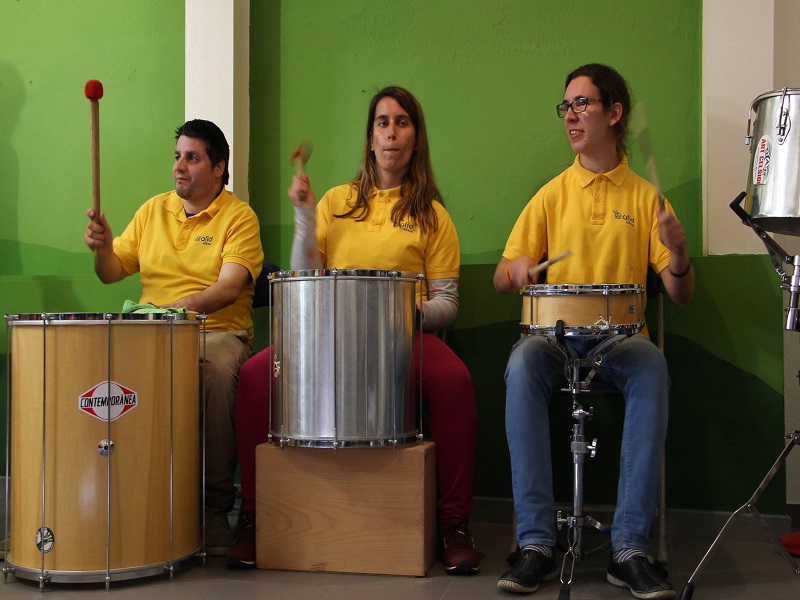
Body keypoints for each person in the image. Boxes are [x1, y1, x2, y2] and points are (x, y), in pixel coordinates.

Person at [227, 86, 480, 574]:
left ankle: (455, 525)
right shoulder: (336, 201)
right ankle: (255, 519)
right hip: (329, 338)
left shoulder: (433, 215)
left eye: (402, 122)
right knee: (257, 377)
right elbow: (305, 277)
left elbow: (447, 304)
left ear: (416, 137)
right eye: (382, 123)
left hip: (404, 340)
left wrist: (407, 314)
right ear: (370, 137)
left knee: (455, 381)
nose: (392, 132)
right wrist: (304, 217)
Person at [493, 64, 694, 599]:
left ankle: (630, 549)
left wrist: (677, 254)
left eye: (583, 103)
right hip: (554, 339)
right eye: (567, 106)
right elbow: (501, 277)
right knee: (521, 363)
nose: (571, 115)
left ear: (615, 113)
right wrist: (515, 270)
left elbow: (681, 293)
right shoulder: (551, 195)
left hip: (620, 341)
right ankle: (536, 543)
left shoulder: (646, 198)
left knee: (652, 366)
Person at [84, 119, 264, 556]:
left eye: (192, 158)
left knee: (216, 373)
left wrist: (175, 312)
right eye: (177, 156)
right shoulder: (153, 210)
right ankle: (124, 501)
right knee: (94, 365)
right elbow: (111, 273)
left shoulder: (239, 217)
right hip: (151, 332)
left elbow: (228, 288)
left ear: (219, 168)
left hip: (215, 333)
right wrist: (103, 248)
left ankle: (213, 509)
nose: (179, 166)